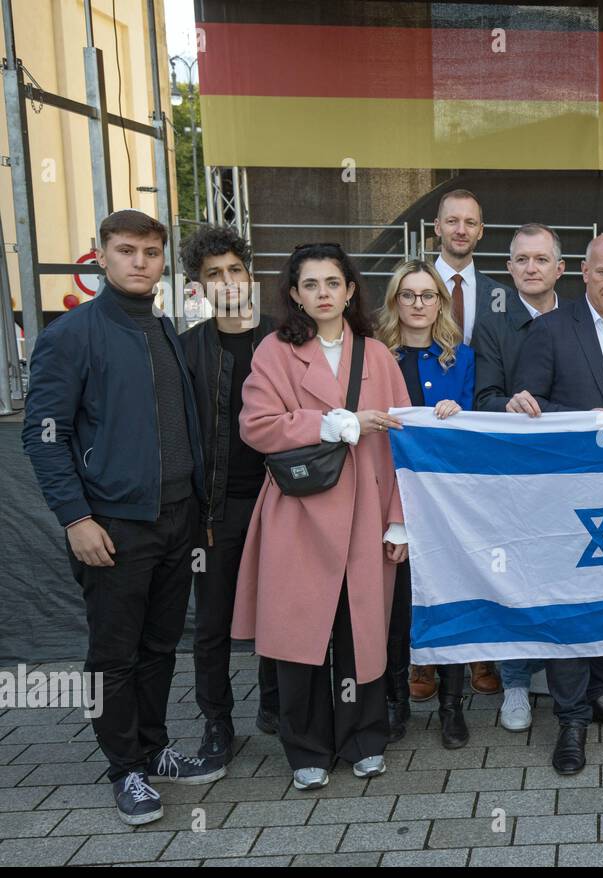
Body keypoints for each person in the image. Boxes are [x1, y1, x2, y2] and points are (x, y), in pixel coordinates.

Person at [22, 209, 223, 826]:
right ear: (101, 256)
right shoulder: (73, 334)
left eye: (151, 252)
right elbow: (43, 433)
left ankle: (154, 747)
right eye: (127, 250)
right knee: (115, 653)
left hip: (175, 517)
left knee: (161, 643)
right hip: (112, 525)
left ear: (163, 262)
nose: (140, 262)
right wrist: (76, 518)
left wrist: (198, 509)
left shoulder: (162, 328)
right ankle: (124, 770)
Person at [231, 243, 411, 791]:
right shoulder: (273, 351)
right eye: (310, 285)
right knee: (300, 636)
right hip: (299, 513)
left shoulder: (377, 355)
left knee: (361, 632)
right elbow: (256, 426)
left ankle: (363, 737)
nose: (323, 294)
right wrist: (331, 423)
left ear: (351, 290)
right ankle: (305, 746)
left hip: (366, 514)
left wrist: (400, 518)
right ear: (294, 294)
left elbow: (405, 440)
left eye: (333, 283)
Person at [508, 232, 603, 775]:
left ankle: (600, 697)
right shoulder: (550, 331)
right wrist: (591, 424)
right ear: (583, 272)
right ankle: (571, 719)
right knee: (572, 608)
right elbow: (529, 406)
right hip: (568, 494)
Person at [178, 225, 280, 765]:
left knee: (277, 609)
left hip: (282, 501)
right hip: (215, 511)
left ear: (249, 274)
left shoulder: (284, 338)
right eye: (213, 275)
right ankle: (217, 723)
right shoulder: (187, 348)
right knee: (213, 623)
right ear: (199, 286)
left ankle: (275, 705)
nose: (227, 281)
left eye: (234, 270)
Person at [376, 259, 473, 747]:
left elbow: (477, 428)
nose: (418, 304)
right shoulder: (374, 356)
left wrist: (461, 413)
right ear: (396, 301)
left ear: (441, 301)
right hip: (386, 497)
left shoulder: (461, 358)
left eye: (428, 295)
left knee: (447, 598)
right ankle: (395, 702)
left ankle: (452, 706)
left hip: (444, 502)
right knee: (397, 605)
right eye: (409, 295)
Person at [477, 223, 569, 731]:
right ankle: (514, 682)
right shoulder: (492, 324)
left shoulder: (582, 317)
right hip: (514, 474)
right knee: (517, 575)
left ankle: (561, 678)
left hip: (569, 471)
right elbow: (482, 396)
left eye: (541, 259)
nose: (531, 268)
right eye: (521, 260)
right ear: (509, 269)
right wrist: (507, 403)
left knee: (564, 573)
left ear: (560, 268)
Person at [430, 187, 506, 694]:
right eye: (452, 221)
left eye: (470, 223)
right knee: (431, 539)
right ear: (436, 228)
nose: (461, 230)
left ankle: (482, 653)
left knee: (483, 540)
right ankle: (426, 658)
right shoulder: (410, 285)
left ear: (481, 232)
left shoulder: (498, 293)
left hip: (482, 431)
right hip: (430, 431)